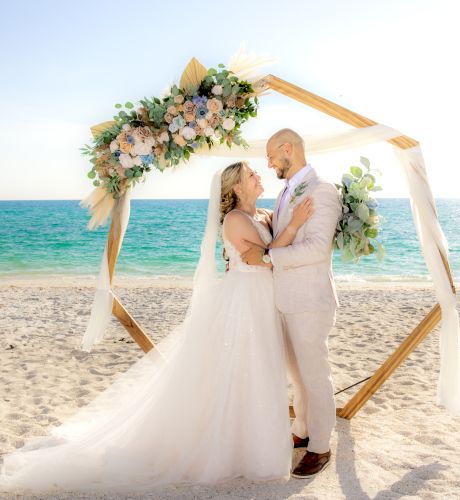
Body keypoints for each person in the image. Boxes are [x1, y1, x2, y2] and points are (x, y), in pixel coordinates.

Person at [0, 161, 313, 495]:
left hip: (264, 300)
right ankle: (240, 448)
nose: (257, 177)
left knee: (262, 367)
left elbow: (271, 252)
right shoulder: (236, 219)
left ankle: (256, 439)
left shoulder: (263, 215)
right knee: (247, 366)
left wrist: (284, 234)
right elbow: (268, 255)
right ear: (236, 187)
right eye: (251, 174)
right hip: (245, 301)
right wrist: (293, 226)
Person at [241, 129, 343, 478]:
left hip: (309, 300)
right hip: (283, 299)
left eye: (271, 156)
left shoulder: (322, 191)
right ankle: (302, 428)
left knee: (315, 376)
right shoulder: (287, 193)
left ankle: (320, 446)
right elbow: (286, 230)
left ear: (288, 149)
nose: (268, 164)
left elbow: (317, 248)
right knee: (297, 376)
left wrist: (269, 258)